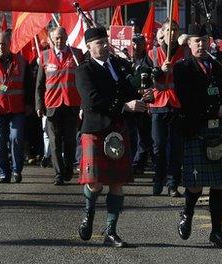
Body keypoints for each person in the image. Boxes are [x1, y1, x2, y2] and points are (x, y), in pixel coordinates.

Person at [75, 26, 151, 248]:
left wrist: (141, 92)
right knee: (96, 183)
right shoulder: (84, 70)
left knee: (117, 182)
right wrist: (125, 106)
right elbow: (92, 100)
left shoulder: (118, 64)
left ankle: (111, 231)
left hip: (118, 129)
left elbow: (130, 87)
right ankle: (88, 216)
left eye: (105, 41)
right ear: (89, 47)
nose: (105, 46)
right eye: (99, 43)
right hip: (96, 129)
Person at [173, 23, 222, 248]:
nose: (201, 45)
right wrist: (214, 110)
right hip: (196, 128)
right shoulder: (182, 68)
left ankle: (217, 231)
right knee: (195, 184)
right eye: (197, 41)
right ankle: (187, 213)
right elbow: (187, 100)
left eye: (204, 40)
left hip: (218, 130)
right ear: (188, 43)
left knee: (218, 184)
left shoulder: (217, 65)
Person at [0, 32, 33, 183]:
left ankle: (16, 170)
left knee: (16, 139)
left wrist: (29, 104)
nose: (0, 47)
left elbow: (29, 85)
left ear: (9, 44)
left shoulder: (21, 61)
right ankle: (4, 171)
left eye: (3, 44)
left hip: (17, 109)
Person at [36, 27, 83, 185]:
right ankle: (58, 173)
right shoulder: (44, 56)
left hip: (71, 104)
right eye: (56, 38)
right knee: (55, 141)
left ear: (66, 37)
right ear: (51, 39)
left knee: (70, 140)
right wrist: (39, 105)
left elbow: (83, 80)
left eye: (62, 37)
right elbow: (40, 84)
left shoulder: (76, 54)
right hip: (52, 105)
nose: (59, 41)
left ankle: (68, 168)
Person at [148, 20, 185, 197]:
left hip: (177, 105)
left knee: (176, 147)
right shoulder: (153, 53)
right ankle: (158, 180)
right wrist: (160, 71)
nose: (172, 33)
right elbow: (146, 78)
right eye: (169, 30)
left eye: (175, 30)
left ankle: (173, 184)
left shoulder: (184, 52)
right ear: (162, 32)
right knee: (159, 147)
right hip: (158, 105)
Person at [129, 34, 154, 174]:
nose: (136, 46)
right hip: (129, 102)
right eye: (134, 43)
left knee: (143, 135)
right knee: (131, 134)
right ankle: (131, 161)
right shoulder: (124, 59)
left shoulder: (149, 60)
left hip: (144, 102)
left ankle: (139, 163)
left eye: (139, 43)